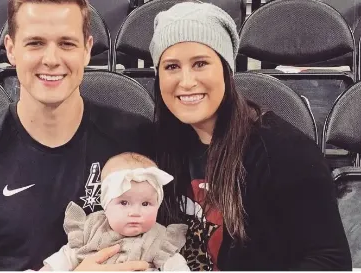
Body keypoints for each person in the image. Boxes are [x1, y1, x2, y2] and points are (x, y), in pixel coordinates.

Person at [0, 0, 151, 271]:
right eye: (35, 43)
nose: (51, 59)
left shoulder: (136, 141)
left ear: (87, 49)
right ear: (11, 49)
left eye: (66, 43)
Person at [148, 2, 352, 271]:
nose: (186, 81)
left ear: (226, 70)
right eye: (171, 67)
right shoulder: (156, 144)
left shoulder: (284, 151)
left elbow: (330, 262)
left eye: (200, 63)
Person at [40, 152, 189, 271]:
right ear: (106, 204)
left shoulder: (159, 240)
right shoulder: (91, 229)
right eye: (124, 203)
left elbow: (177, 266)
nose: (135, 212)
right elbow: (64, 258)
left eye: (146, 203)